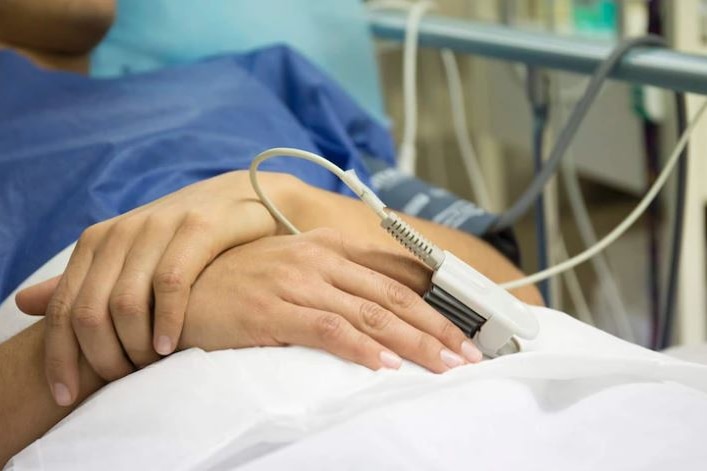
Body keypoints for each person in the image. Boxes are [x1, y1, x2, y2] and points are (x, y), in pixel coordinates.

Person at [0, 1, 542, 464]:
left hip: (481, 398)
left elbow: (523, 300)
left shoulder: (265, 79)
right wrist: (153, 302)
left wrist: (288, 199)